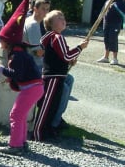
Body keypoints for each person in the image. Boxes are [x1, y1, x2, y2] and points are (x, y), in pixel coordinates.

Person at [0, 0, 43, 154]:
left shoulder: (16, 55)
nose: (1, 41)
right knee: (21, 114)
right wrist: (9, 76)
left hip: (31, 88)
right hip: (35, 87)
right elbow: (20, 74)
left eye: (3, 39)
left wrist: (1, 70)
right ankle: (22, 142)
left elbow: (16, 74)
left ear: (9, 42)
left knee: (16, 114)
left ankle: (15, 145)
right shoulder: (19, 52)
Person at [32, 10, 88, 142]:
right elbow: (66, 55)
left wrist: (69, 59)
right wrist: (80, 47)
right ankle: (38, 133)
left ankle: (48, 131)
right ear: (51, 23)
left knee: (54, 105)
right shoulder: (56, 37)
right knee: (47, 105)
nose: (63, 19)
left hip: (57, 75)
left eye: (63, 17)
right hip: (53, 76)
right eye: (59, 18)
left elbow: (63, 55)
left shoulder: (53, 38)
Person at [97, 0, 125, 65]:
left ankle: (115, 58)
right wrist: (100, 17)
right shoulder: (107, 2)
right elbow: (103, 11)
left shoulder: (120, 3)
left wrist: (114, 7)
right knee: (106, 39)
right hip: (106, 23)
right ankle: (106, 57)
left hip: (115, 24)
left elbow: (123, 14)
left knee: (113, 39)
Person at [23, 0, 50, 69]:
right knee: (66, 79)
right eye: (43, 9)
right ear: (35, 9)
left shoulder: (32, 21)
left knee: (67, 78)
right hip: (34, 65)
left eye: (47, 9)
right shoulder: (33, 25)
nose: (46, 12)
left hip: (36, 62)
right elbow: (38, 52)